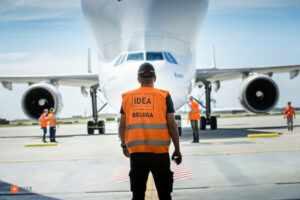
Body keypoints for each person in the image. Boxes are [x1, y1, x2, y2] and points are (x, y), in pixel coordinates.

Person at [119, 62, 182, 200]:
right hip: (160, 155)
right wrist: (177, 149)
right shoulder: (164, 96)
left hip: (137, 155)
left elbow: (122, 126)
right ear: (155, 78)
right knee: (165, 195)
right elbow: (172, 125)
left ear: (138, 80)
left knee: (138, 195)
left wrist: (124, 146)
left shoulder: (127, 97)